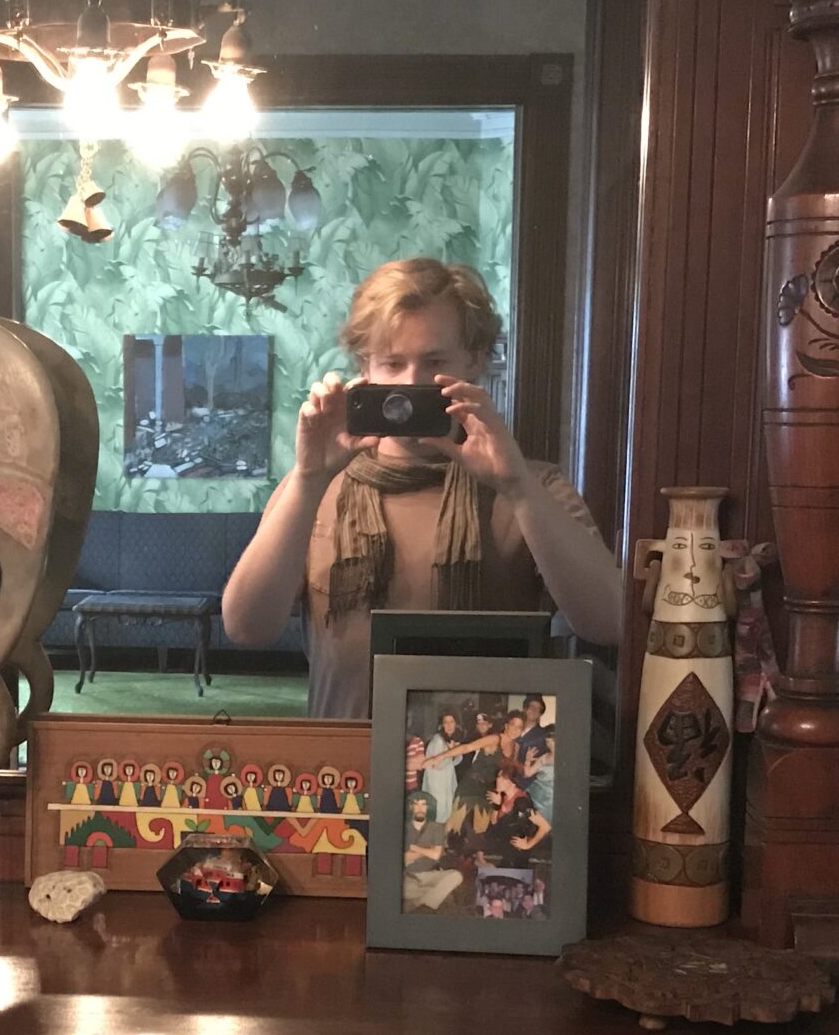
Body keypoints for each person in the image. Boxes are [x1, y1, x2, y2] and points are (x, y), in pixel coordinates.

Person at [220, 258, 624, 717]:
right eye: (392, 363)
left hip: (484, 757)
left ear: (474, 360)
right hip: (345, 758)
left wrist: (516, 486)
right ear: (365, 366)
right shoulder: (315, 487)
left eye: (434, 362)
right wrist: (309, 479)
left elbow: (609, 622)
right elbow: (246, 627)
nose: (412, 383)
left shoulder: (533, 487)